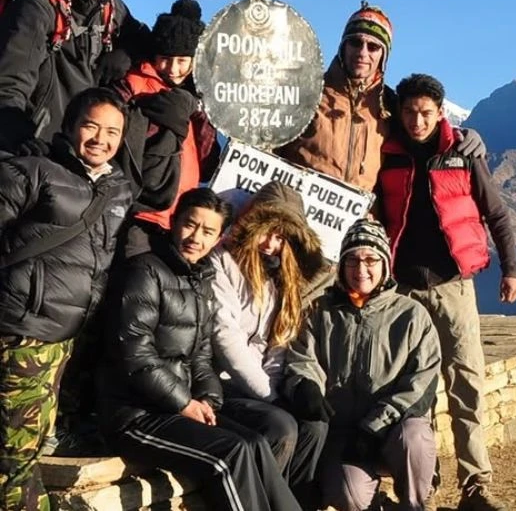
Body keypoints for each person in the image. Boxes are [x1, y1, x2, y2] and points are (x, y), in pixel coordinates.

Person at [98, 188, 301, 511]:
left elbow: (202, 354)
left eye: (208, 232)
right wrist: (183, 402)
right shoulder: (145, 271)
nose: (196, 238)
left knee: (255, 443)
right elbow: (135, 356)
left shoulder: (200, 278)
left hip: (180, 405)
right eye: (190, 225)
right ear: (175, 222)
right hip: (137, 413)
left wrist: (208, 398)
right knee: (228, 454)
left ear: (219, 237)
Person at [375, 74, 516, 511]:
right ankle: (423, 480)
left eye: (425, 112)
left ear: (440, 111)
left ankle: (475, 484)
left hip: (453, 285)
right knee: (411, 387)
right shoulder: (387, 154)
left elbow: (496, 213)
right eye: (409, 112)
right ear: (399, 113)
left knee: (466, 382)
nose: (417, 120)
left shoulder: (461, 152)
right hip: (401, 289)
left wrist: (510, 269)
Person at [0, 88, 134, 510]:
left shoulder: (117, 192)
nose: (100, 138)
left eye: (113, 131)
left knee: (35, 447)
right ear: (71, 126)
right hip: (19, 336)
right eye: (91, 126)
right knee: (12, 459)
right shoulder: (33, 172)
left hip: (63, 343)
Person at [284, 219, 440, 511]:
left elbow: (421, 381)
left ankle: (416, 504)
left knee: (415, 438)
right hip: (344, 433)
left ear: (385, 264)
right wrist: (307, 386)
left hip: (394, 428)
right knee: (348, 496)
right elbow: (302, 358)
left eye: (371, 259)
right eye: (352, 260)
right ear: (341, 265)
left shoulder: (411, 315)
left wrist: (375, 425)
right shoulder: (320, 311)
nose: (361, 269)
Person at [276, 1, 485, 192]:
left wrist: (463, 135)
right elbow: (267, 141)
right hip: (300, 214)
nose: (362, 53)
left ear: (383, 55)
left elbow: (425, 134)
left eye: (373, 47)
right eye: (355, 43)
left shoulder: (391, 105)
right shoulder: (306, 92)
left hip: (361, 222)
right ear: (343, 46)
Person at [210, 182, 331, 499]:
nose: (270, 244)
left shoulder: (281, 278)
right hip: (219, 383)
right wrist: (270, 396)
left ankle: (297, 503)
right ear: (251, 225)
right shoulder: (223, 262)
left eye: (280, 237)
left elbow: (278, 344)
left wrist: (280, 389)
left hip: (261, 387)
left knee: (314, 426)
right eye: (266, 232)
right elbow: (226, 337)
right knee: (281, 427)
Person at [0, 0, 148, 155]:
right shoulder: (38, 5)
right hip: (32, 143)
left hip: (81, 144)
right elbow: (10, 79)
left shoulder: (113, 11)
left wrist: (125, 54)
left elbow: (149, 44)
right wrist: (18, 135)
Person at [115, 0, 218, 233]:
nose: (173, 69)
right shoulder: (133, 84)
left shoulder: (203, 101)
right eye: (165, 59)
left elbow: (208, 161)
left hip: (181, 217)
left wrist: (200, 114)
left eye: (182, 61)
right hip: (138, 209)